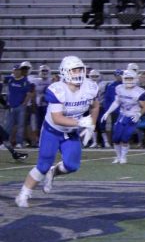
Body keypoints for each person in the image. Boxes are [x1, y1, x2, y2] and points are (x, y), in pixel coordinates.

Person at [15, 56, 100, 208]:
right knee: (43, 165)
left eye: (80, 69)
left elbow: (95, 106)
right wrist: (80, 122)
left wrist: (91, 125)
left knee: (72, 166)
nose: (78, 73)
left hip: (71, 132)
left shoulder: (90, 87)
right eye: (74, 70)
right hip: (52, 131)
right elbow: (57, 118)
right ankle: (23, 194)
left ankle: (53, 173)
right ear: (65, 72)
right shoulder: (57, 90)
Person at [99, 69, 145, 164]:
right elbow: (117, 101)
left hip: (133, 116)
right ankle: (118, 156)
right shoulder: (119, 88)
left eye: (130, 78)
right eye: (127, 78)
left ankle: (123, 157)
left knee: (125, 138)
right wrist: (108, 112)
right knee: (116, 138)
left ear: (135, 79)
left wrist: (139, 114)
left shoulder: (139, 92)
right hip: (122, 115)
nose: (129, 81)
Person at [4, 65, 34, 151]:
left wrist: (24, 103)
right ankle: (6, 142)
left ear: (20, 71)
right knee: (8, 125)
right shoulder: (10, 79)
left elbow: (29, 94)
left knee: (20, 125)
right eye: (15, 70)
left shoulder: (25, 81)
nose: (16, 72)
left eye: (18, 70)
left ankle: (19, 142)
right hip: (11, 106)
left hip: (20, 106)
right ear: (13, 71)